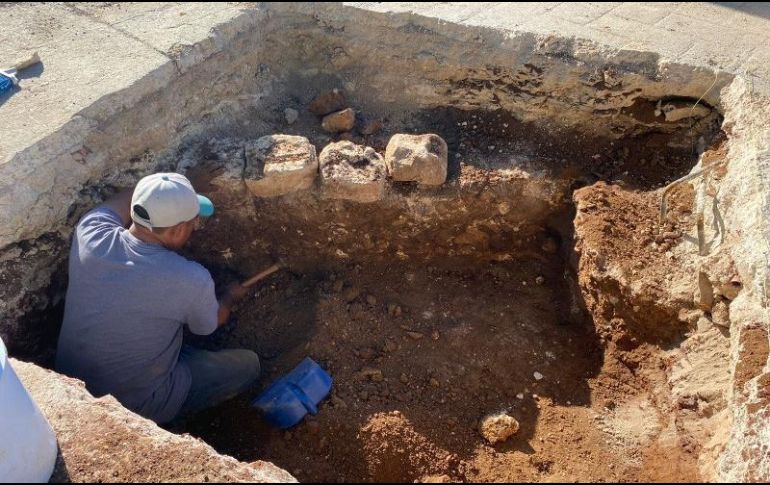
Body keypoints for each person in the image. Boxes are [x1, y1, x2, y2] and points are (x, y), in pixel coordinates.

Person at [56, 172, 259, 424]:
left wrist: (155, 189)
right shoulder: (190, 278)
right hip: (135, 405)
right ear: (178, 231)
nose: (194, 229)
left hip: (70, 388)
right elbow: (209, 325)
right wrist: (229, 296)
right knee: (248, 365)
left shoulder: (91, 232)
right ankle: (173, 421)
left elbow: (125, 200)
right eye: (193, 224)